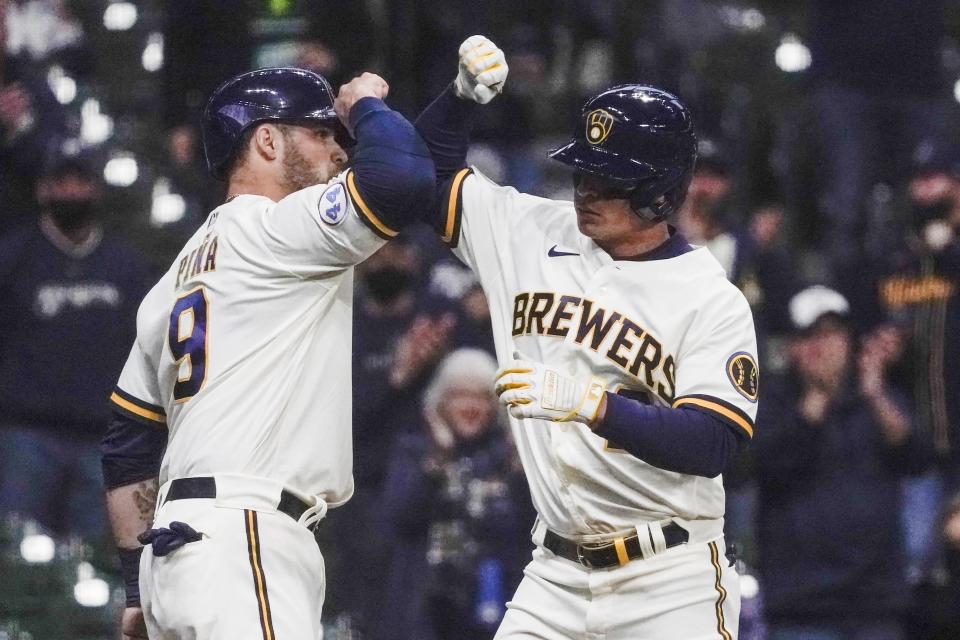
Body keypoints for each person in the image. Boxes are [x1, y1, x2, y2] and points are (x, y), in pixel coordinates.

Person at [415, 36, 759, 638]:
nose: (584, 189)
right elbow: (424, 170)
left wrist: (591, 404)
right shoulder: (530, 230)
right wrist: (460, 98)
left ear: (661, 191)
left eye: (607, 178)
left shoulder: (709, 296)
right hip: (554, 575)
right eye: (583, 171)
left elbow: (714, 441)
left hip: (669, 580)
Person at [99, 67, 434, 639]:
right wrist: (368, 108)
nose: (337, 151)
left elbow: (129, 443)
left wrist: (138, 587)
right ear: (267, 140)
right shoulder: (278, 230)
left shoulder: (173, 279)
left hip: (179, 552)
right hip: (244, 535)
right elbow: (403, 179)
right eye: (322, 133)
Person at [753, 285, 923, 640]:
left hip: (876, 601)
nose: (823, 347)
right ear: (792, 347)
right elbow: (768, 467)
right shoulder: (772, 404)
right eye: (810, 337)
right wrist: (816, 399)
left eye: (832, 334)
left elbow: (916, 457)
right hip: (800, 604)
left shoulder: (877, 398)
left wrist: (875, 393)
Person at [0, 150, 150, 542]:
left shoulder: (126, 266)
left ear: (95, 189)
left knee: (95, 559)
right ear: (42, 190)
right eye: (61, 183)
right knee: (20, 556)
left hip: (102, 437)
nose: (71, 192)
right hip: (26, 434)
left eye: (80, 182)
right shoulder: (13, 260)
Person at [379, 348, 533, 640]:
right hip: (421, 615)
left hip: (493, 612)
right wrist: (437, 462)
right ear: (438, 401)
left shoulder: (508, 459)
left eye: (483, 397)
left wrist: (520, 471)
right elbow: (399, 520)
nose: (471, 406)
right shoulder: (414, 451)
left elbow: (527, 532)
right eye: (461, 395)